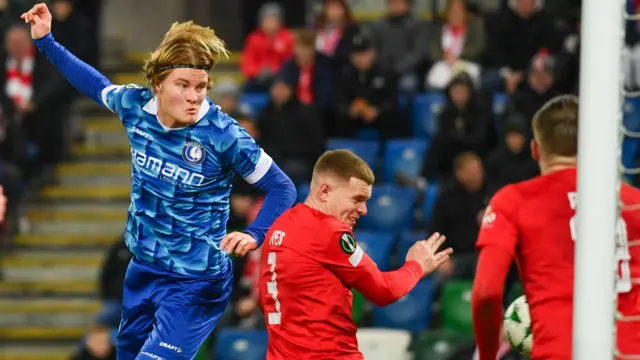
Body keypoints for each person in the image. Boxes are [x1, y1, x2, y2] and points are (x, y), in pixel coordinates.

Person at [21, 3, 297, 360]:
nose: (195, 96)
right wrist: (46, 42)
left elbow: (283, 187)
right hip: (144, 270)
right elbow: (93, 83)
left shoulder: (222, 134)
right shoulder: (135, 106)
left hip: (197, 280)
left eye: (201, 86)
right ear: (157, 84)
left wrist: (255, 232)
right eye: (183, 85)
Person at [471, 95, 640, 360]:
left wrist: (488, 355)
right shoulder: (633, 202)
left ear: (535, 150)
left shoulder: (513, 201)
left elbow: (485, 293)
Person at [259, 149, 453, 359]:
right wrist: (416, 266)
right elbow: (384, 290)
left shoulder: (280, 226)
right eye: (357, 199)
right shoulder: (328, 230)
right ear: (324, 192)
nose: (364, 210)